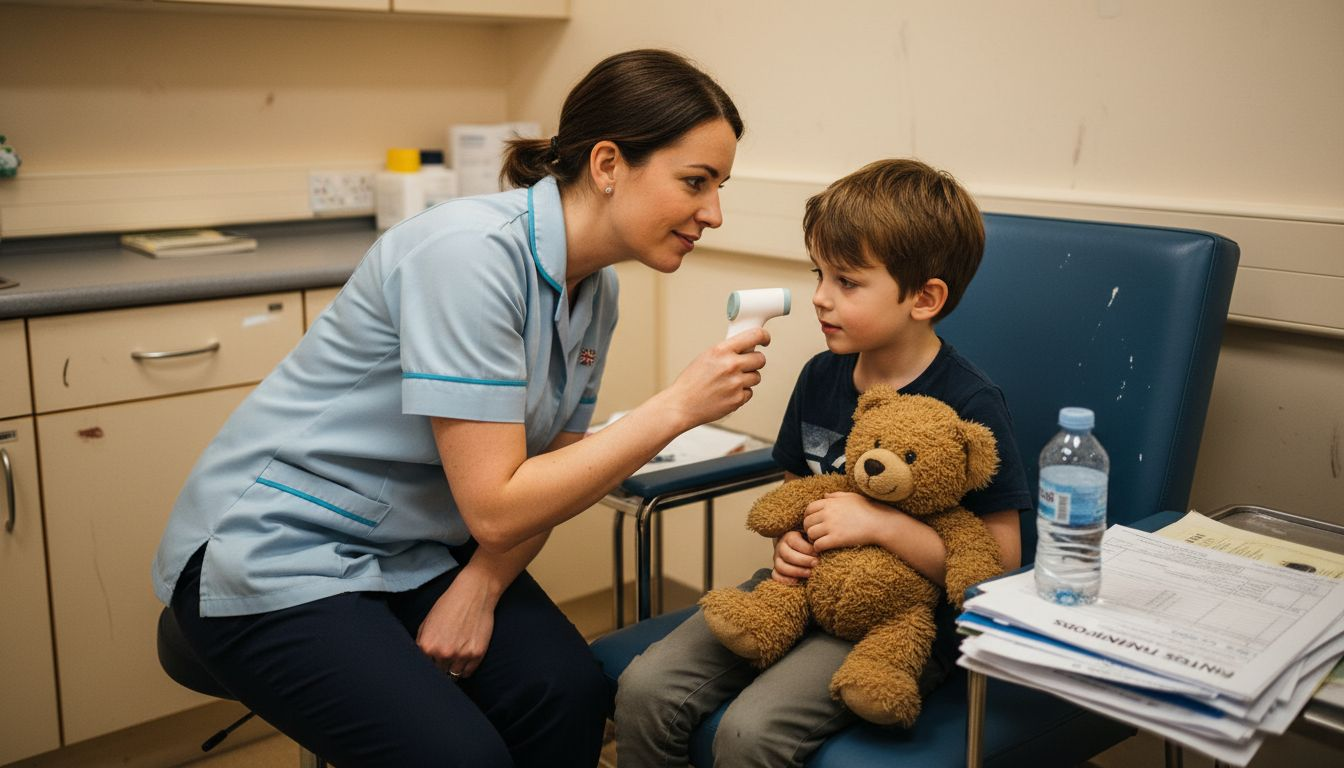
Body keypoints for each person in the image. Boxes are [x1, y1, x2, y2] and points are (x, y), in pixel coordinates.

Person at [151, 49, 762, 768]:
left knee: (567, 693)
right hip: (277, 549)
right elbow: (499, 508)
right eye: (695, 182)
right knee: (459, 756)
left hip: (413, 548)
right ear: (606, 165)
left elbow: (552, 475)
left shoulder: (596, 289)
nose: (713, 213)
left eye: (719, 186)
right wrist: (675, 408)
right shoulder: (468, 256)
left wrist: (482, 584)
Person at [615, 158, 1034, 767]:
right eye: (819, 274)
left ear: (924, 297)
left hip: (898, 625)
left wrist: (886, 526)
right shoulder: (821, 376)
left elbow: (1002, 564)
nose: (819, 298)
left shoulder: (971, 403)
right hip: (800, 590)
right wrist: (789, 540)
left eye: (848, 282)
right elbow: (798, 491)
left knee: (749, 733)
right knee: (645, 689)